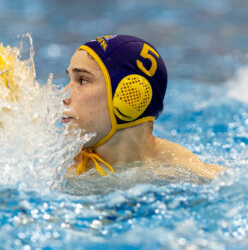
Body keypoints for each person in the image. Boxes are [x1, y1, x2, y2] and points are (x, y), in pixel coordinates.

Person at [62, 35, 226, 179]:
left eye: (82, 80)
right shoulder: (58, 166)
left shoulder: (186, 174)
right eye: (69, 79)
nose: (64, 95)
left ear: (130, 94)